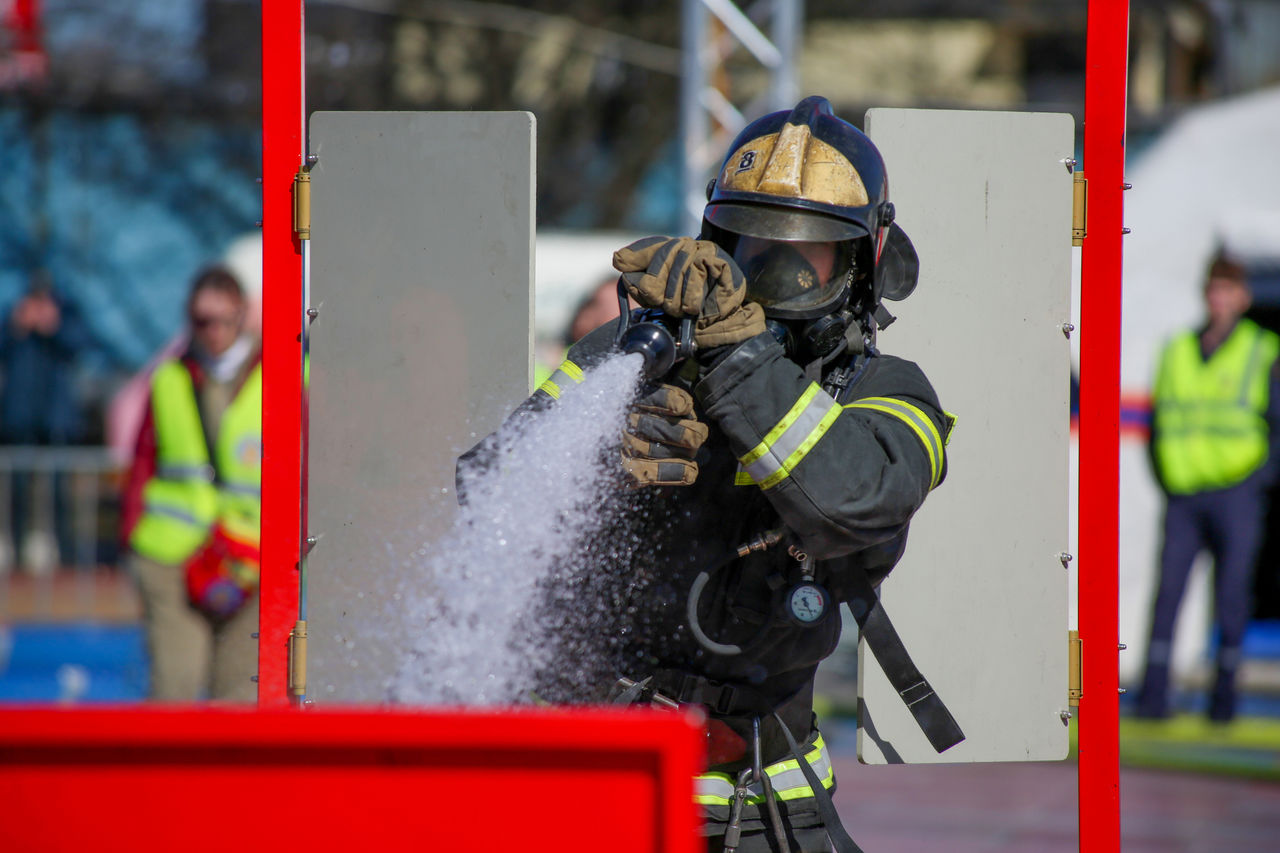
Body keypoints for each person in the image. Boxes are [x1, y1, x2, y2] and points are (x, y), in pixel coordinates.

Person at [462, 96, 958, 852]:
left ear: (860, 264)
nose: (771, 279)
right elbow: (488, 495)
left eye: (803, 260)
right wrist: (605, 456)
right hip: (592, 787)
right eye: (751, 253)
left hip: (762, 805)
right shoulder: (628, 353)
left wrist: (734, 359)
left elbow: (854, 501)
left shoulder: (888, 392)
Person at [1136, 250, 1280, 723]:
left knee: (1233, 595)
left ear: (1241, 298)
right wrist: (1166, 476)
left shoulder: (1262, 350)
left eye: (1228, 291)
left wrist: (1260, 480)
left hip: (1237, 492)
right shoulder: (1177, 349)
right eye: (1213, 290)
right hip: (1183, 494)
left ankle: (1224, 706)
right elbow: (1158, 422)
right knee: (1169, 594)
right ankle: (1153, 701)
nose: (1219, 299)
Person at [120, 266, 262, 701]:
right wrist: (130, 537)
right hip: (173, 557)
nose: (214, 331)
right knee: (174, 692)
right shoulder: (168, 379)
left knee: (239, 698)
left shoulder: (287, 376)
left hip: (250, 562)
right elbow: (143, 463)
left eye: (224, 319)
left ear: (243, 314)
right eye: (203, 321)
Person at [0, 271, 91, 572]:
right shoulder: (15, 320)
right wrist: (17, 326)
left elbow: (79, 346)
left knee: (59, 495)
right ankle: (17, 559)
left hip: (56, 419)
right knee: (18, 492)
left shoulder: (68, 315)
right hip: (20, 418)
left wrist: (54, 327)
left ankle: (65, 558)